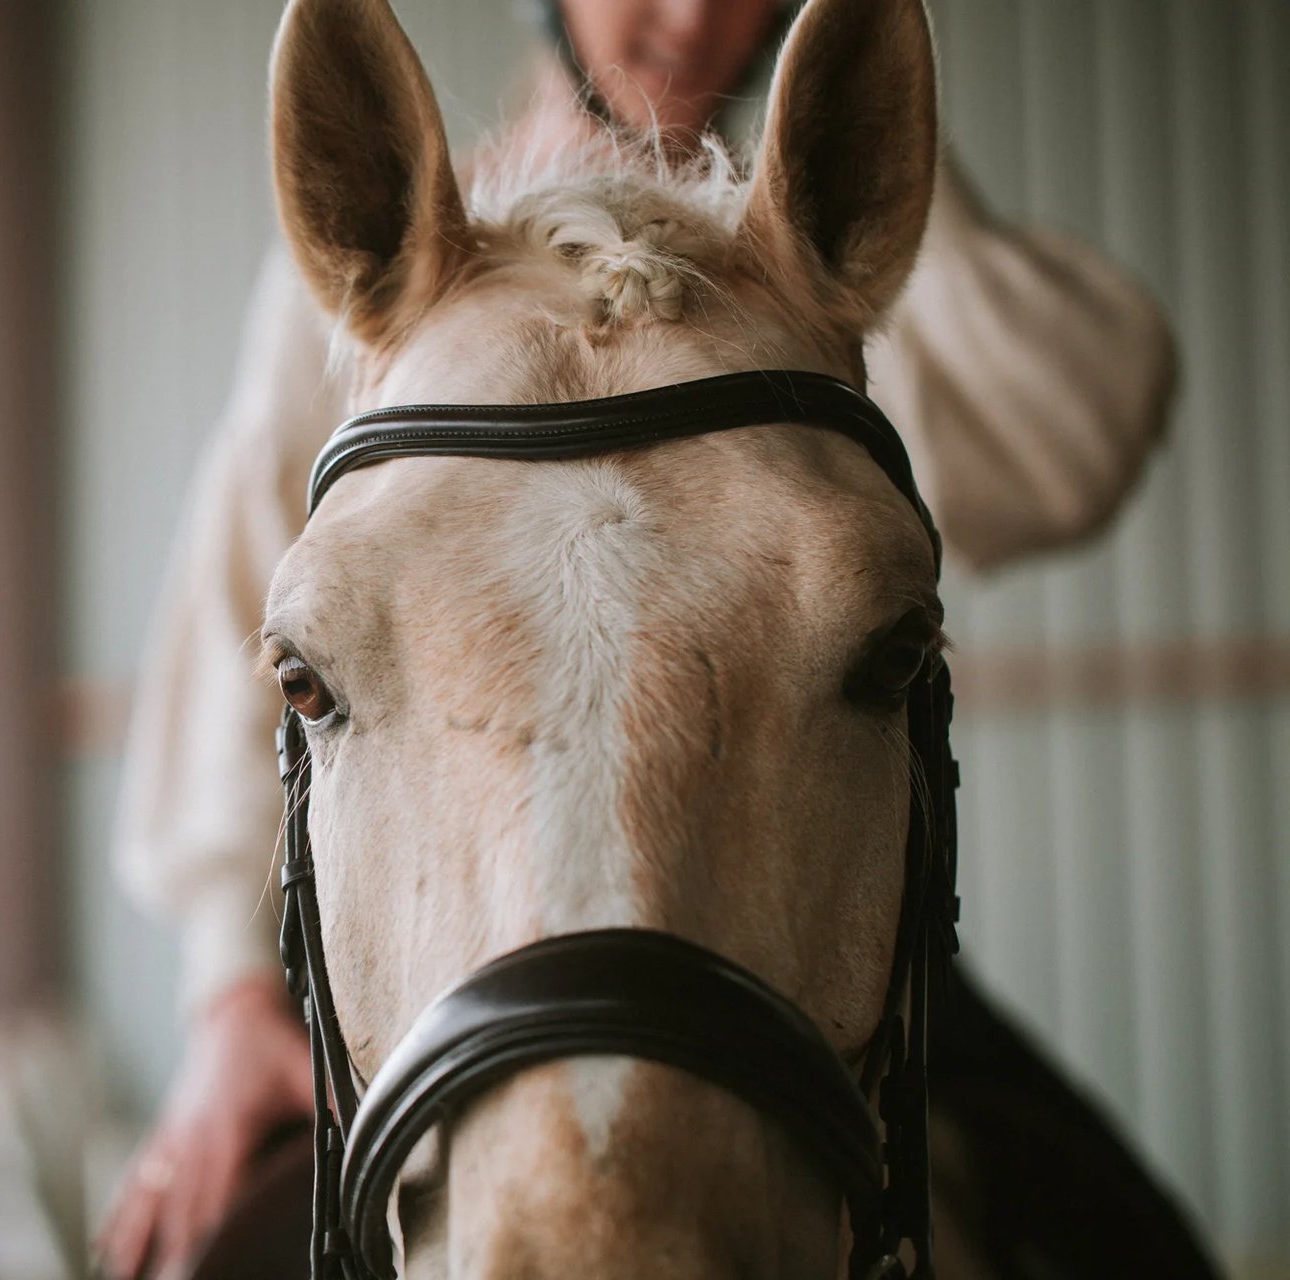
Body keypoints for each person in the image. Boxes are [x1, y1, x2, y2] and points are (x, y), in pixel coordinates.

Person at [94, 2, 1177, 1276]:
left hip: (780, 909)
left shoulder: (807, 259)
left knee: (1117, 1226)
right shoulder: (343, 277)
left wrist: (841, 195)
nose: (686, 11)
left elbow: (1083, 427)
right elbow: (253, 608)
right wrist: (229, 991)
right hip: (442, 929)